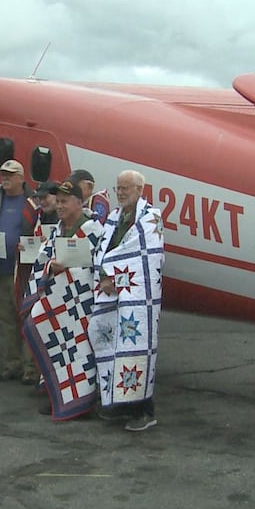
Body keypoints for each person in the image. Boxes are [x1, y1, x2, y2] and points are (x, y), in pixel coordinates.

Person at [21, 180, 105, 420]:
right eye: (57, 201)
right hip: (57, 305)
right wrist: (50, 267)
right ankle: (58, 395)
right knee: (56, 346)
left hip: (83, 306)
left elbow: (100, 266)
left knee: (81, 353)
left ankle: (84, 401)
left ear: (79, 203)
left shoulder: (94, 231)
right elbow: (41, 260)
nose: (59, 206)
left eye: (64, 201)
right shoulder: (57, 230)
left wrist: (71, 270)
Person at [90, 170, 165, 432]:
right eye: (118, 188)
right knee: (112, 345)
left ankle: (144, 409)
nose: (121, 193)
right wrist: (104, 275)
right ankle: (119, 403)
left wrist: (116, 279)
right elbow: (103, 252)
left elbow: (145, 258)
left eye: (126, 188)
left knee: (137, 348)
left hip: (138, 298)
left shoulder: (150, 219)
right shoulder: (113, 218)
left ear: (139, 190)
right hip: (113, 293)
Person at [0, 159, 39, 383]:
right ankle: (13, 364)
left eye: (10, 175)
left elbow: (42, 232)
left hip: (23, 272)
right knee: (6, 319)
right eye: (3, 174)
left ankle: (31, 369)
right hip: (0, 270)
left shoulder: (33, 204)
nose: (5, 178)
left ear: (21, 178)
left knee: (26, 318)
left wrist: (32, 245)